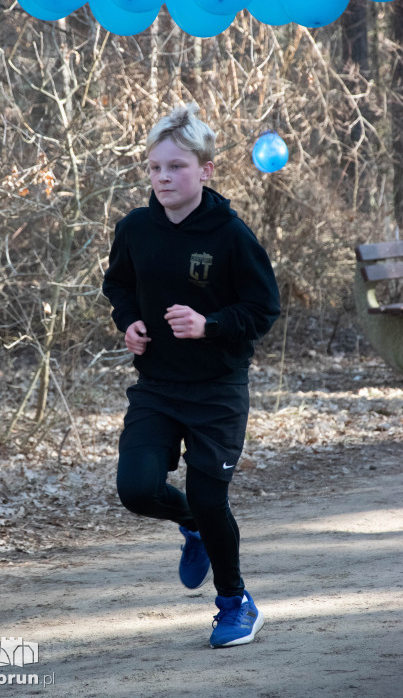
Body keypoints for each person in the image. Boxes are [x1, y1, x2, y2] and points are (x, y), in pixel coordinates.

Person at [102, 104, 280, 648]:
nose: (163, 178)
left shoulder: (230, 234)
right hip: (157, 386)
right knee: (136, 490)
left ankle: (236, 604)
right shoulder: (135, 228)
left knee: (210, 499)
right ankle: (193, 527)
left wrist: (211, 325)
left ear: (205, 170)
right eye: (154, 167)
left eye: (176, 167)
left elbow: (263, 308)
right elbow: (118, 285)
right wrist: (128, 322)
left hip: (216, 390)